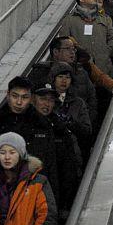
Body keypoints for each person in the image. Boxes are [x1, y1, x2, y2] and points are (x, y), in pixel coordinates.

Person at [0, 77, 59, 202]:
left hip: (30, 198)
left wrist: (52, 203)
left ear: (31, 98)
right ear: (8, 95)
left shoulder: (43, 126)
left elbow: (51, 167)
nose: (19, 102)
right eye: (15, 96)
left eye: (24, 97)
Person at [33, 84, 87, 215]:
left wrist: (65, 204)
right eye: (43, 99)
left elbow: (69, 169)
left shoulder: (61, 129)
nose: (47, 104)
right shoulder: (23, 127)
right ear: (33, 100)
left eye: (51, 100)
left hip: (53, 199)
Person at [29, 36, 98, 125]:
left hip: (78, 126)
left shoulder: (81, 72)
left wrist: (85, 121)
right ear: (56, 52)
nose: (72, 52)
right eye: (68, 49)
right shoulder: (41, 72)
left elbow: (92, 99)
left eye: (73, 49)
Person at [59, 0, 113, 78]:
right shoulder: (69, 20)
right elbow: (63, 42)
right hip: (79, 70)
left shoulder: (105, 18)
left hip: (104, 68)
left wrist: (107, 52)